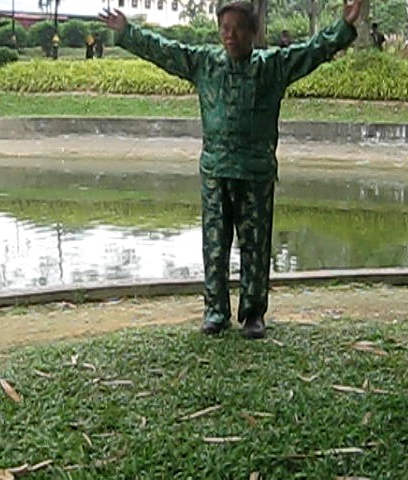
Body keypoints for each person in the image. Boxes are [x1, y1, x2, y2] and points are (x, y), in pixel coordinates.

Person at [99, 0, 361, 339]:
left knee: (256, 246)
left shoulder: (273, 67)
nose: (230, 35)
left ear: (253, 32)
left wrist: (344, 26)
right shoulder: (205, 64)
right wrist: (127, 32)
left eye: (237, 28)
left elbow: (315, 50)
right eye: (224, 28)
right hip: (215, 172)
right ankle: (216, 311)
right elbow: (163, 51)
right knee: (214, 245)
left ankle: (253, 314)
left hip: (255, 172)